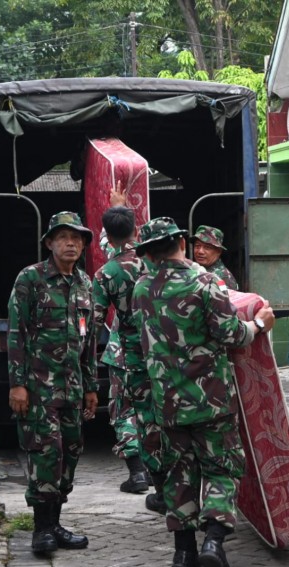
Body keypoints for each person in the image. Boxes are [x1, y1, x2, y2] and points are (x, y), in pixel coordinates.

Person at [131, 217, 275, 567]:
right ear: (181, 242)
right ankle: (213, 543)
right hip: (211, 401)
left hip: (167, 402)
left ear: (149, 254)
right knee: (220, 469)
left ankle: (183, 552)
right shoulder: (206, 282)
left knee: (179, 474)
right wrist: (258, 324)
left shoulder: (141, 289)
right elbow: (232, 335)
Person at [7, 211, 98, 554]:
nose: (71, 243)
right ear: (49, 243)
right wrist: (18, 384)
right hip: (38, 389)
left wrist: (91, 387)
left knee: (70, 454)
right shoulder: (30, 279)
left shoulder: (85, 284)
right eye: (63, 237)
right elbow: (17, 334)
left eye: (76, 238)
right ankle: (41, 529)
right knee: (47, 455)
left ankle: (56, 523)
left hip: (73, 390)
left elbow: (88, 342)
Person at [92, 198, 168, 512]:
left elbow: (94, 318)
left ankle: (136, 471)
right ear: (136, 230)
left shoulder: (105, 272)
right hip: (159, 349)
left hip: (123, 352)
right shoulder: (154, 262)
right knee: (156, 411)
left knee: (123, 410)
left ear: (108, 237)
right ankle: (161, 474)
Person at [190, 225, 239, 290]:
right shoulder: (195, 270)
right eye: (197, 246)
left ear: (218, 251)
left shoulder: (223, 277)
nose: (200, 251)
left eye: (207, 247)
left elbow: (226, 299)